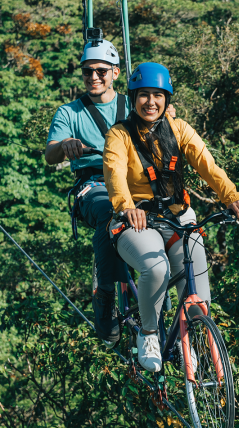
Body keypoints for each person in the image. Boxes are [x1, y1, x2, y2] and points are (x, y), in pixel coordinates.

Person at [103, 62, 239, 372]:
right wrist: (126, 205)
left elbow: (207, 165)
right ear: (133, 98)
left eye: (158, 96)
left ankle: (189, 340)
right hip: (136, 220)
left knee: (198, 294)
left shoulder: (179, 129)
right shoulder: (120, 134)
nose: (151, 102)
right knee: (155, 269)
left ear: (167, 100)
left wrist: (232, 196)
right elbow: (114, 172)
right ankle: (148, 333)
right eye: (144, 95)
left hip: (177, 216)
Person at [45, 38, 172, 349]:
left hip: (137, 181)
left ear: (115, 73)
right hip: (94, 185)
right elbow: (50, 155)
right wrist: (65, 146)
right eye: (88, 72)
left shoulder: (134, 105)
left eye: (101, 71)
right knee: (108, 211)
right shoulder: (70, 112)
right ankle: (105, 293)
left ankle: (161, 287)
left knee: (168, 211)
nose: (93, 77)